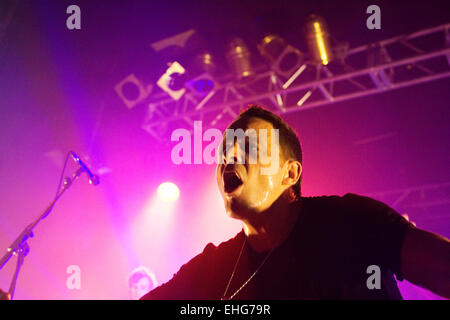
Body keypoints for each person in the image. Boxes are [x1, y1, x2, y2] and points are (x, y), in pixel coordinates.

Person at [142, 105, 450, 300]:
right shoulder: (211, 269)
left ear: (289, 173)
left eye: (247, 147)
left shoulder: (350, 222)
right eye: (223, 153)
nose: (229, 159)